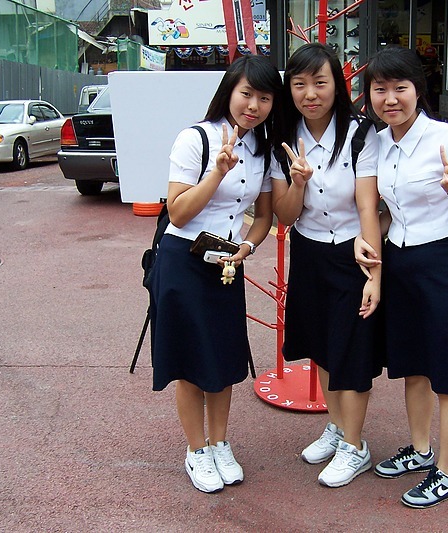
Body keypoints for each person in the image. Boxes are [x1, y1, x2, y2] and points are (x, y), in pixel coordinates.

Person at [358, 45, 448, 509]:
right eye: (380, 89)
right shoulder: (377, 143)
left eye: (400, 87)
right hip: (400, 262)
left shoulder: (447, 138)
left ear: (418, 90)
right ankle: (420, 451)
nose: (390, 98)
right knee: (412, 366)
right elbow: (373, 205)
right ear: (370, 95)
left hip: (444, 264)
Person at [149, 55, 281, 493]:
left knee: (223, 359)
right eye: (247, 93)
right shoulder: (195, 139)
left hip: (225, 262)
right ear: (229, 91)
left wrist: (248, 247)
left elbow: (264, 217)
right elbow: (179, 211)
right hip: (184, 259)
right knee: (190, 361)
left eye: (264, 97)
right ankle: (196, 450)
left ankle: (221, 443)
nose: (254, 105)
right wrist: (216, 172)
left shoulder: (261, 149)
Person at [270, 43, 384, 488]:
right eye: (299, 84)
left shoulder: (360, 134)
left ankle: (356, 446)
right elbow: (285, 215)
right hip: (310, 251)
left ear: (338, 85)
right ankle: (337, 429)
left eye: (320, 82)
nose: (310, 93)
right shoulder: (285, 136)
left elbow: (368, 206)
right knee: (321, 344)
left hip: (353, 254)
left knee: (352, 352)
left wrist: (374, 274)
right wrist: (297, 181)